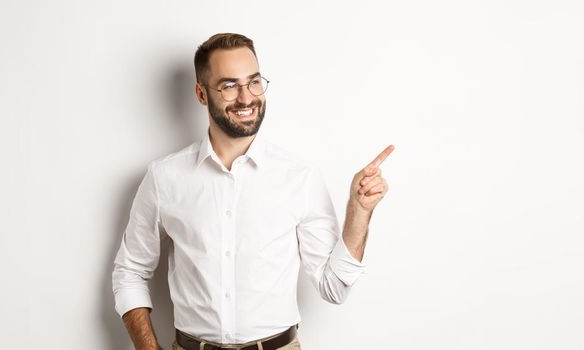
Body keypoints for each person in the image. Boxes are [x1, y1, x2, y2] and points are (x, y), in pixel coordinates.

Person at [112, 33, 392, 350]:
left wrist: (359, 212)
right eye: (229, 86)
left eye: (254, 82)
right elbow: (130, 271)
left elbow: (335, 288)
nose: (247, 98)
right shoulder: (165, 177)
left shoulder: (300, 177)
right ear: (201, 94)